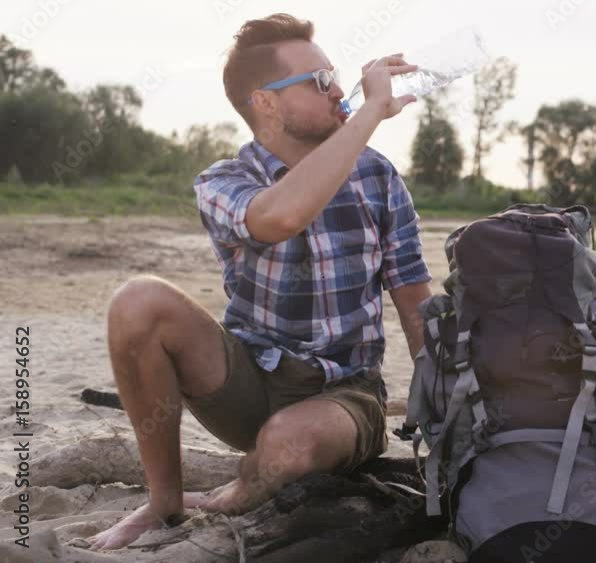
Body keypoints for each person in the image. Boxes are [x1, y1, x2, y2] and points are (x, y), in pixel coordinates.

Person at [87, 13, 430, 550]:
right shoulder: (224, 181)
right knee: (136, 301)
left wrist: (441, 408)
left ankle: (238, 494)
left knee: (289, 447)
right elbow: (279, 217)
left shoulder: (378, 176)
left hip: (345, 393)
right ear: (266, 103)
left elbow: (413, 297)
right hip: (251, 379)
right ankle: (164, 503)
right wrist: (370, 112)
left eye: (335, 76)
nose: (339, 90)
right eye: (320, 81)